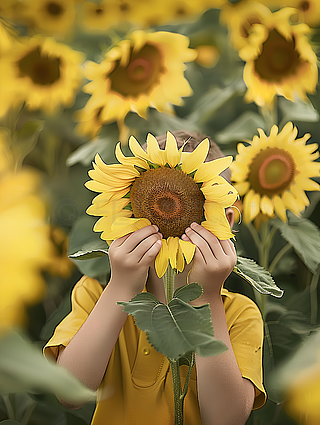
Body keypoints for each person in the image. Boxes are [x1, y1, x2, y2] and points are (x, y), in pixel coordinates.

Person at [44, 131, 266, 425]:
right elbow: (69, 392)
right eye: (147, 203)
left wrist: (207, 298)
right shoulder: (97, 294)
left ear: (224, 222)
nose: (162, 215)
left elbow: (226, 420)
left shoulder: (238, 313)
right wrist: (121, 287)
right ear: (123, 211)